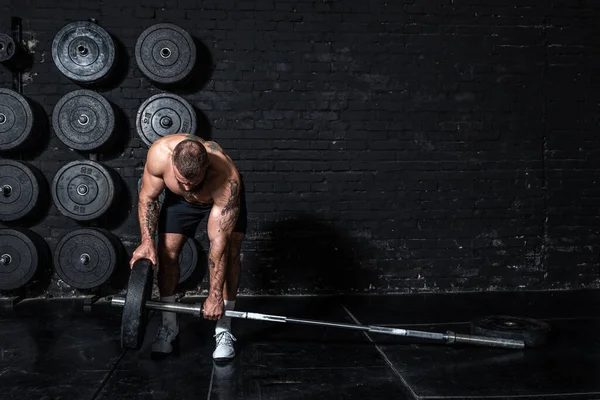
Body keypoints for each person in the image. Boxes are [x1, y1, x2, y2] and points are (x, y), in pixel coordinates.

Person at [130, 133, 246, 361]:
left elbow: (217, 245)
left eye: (192, 182)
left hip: (219, 200)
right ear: (172, 162)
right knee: (166, 252)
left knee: (230, 253)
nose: (187, 186)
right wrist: (146, 241)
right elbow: (148, 197)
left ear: (205, 168)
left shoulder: (226, 178)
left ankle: (223, 328)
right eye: (181, 180)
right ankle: (169, 325)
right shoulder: (160, 154)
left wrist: (213, 296)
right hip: (179, 203)